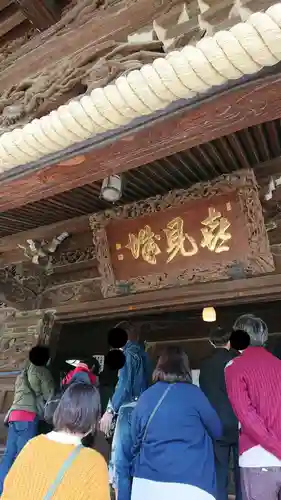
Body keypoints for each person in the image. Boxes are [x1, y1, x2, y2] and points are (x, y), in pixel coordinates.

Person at [119, 345, 222, 500]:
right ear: (185, 368)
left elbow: (135, 438)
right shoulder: (195, 395)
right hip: (192, 482)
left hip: (147, 483)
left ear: (159, 366)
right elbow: (217, 430)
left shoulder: (146, 397)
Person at [1, 383, 110, 500]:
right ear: (93, 420)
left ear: (60, 409)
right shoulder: (94, 462)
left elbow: (8, 490)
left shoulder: (32, 444)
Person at [225, 314, 281, 500]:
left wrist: (276, 447)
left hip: (258, 456)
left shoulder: (234, 367)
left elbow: (246, 415)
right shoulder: (278, 364)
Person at [99, 321, 151, 494]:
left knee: (122, 465)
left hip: (128, 409)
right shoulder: (145, 355)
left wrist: (109, 410)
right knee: (139, 463)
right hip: (144, 410)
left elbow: (124, 385)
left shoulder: (128, 355)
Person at [0, 345, 54, 494]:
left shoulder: (22, 373)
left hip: (14, 416)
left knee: (9, 454)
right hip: (28, 416)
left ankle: (2, 490)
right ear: (46, 359)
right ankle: (19, 491)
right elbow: (50, 394)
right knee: (24, 455)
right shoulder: (42, 372)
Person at [200, 327, 241, 500]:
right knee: (241, 472)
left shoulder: (205, 365)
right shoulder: (238, 361)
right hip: (240, 423)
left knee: (219, 471)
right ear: (230, 341)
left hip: (216, 424)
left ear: (211, 342)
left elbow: (203, 392)